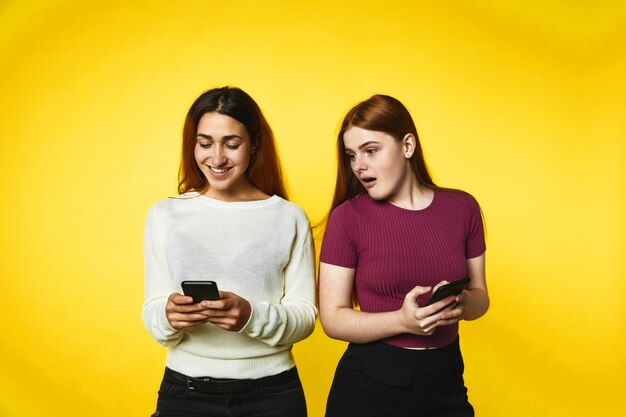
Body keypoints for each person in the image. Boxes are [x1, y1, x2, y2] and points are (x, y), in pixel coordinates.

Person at [143, 86, 317, 417]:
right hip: (185, 393)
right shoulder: (163, 215)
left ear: (254, 144)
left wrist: (251, 316)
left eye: (232, 144)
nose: (217, 158)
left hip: (272, 394)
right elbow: (153, 309)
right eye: (205, 143)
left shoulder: (289, 217)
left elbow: (305, 315)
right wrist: (167, 316)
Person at [319, 94, 489, 417]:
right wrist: (402, 321)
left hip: (445, 376)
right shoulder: (347, 218)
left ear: (407, 146)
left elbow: (481, 297)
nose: (359, 166)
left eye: (371, 150)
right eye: (352, 155)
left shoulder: (463, 208)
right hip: (372, 383)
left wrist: (462, 303)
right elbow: (332, 318)